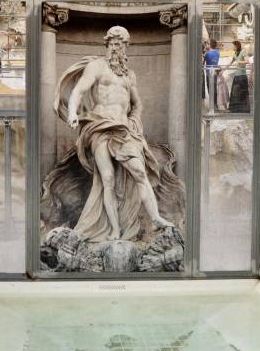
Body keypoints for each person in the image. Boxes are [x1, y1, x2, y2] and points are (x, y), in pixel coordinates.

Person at [57, 25, 174, 241]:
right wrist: (73, 112)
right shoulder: (96, 66)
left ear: (127, 46)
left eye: (121, 44)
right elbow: (79, 90)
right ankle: (113, 230)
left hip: (123, 129)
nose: (116, 47)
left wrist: (134, 121)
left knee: (139, 172)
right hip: (100, 126)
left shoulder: (130, 75)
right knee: (107, 179)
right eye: (113, 43)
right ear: (107, 44)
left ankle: (156, 218)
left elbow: (138, 104)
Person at [226, 40, 250, 113]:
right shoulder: (235, 53)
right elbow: (232, 61)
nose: (232, 47)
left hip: (242, 75)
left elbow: (247, 61)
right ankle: (234, 109)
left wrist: (239, 62)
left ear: (236, 46)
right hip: (237, 75)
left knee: (242, 92)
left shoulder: (243, 52)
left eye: (233, 45)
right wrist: (224, 67)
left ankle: (243, 109)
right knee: (235, 93)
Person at [203, 39, 220, 110]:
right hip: (215, 73)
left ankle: (212, 105)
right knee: (214, 88)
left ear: (210, 45)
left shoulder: (207, 54)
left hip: (208, 73)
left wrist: (206, 50)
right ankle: (215, 105)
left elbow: (203, 62)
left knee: (210, 89)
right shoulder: (217, 52)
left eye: (208, 44)